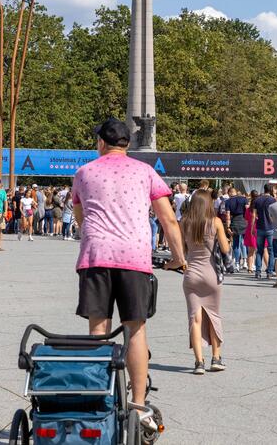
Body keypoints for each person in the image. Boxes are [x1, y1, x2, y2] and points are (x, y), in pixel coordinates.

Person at [72, 118, 185, 428]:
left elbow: (81, 220)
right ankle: (137, 404)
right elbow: (168, 220)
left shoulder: (84, 173)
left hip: (96, 257)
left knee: (98, 330)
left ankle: (99, 398)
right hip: (134, 258)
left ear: (100, 142)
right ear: (127, 145)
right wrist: (179, 259)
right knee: (135, 329)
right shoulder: (145, 172)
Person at [181, 189, 230, 374]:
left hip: (191, 274)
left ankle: (198, 362)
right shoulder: (215, 222)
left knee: (195, 318)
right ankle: (216, 358)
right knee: (214, 315)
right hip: (211, 275)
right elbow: (225, 249)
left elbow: (182, 250)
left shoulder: (184, 222)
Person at [252, 184, 277, 279]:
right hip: (270, 227)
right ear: (270, 189)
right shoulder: (273, 200)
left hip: (260, 227)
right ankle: (269, 271)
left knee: (259, 251)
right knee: (271, 251)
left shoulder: (257, 200)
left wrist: (252, 228)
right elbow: (274, 215)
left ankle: (258, 272)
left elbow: (254, 215)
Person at [223, 187, 248, 271]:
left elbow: (228, 215)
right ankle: (245, 261)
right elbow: (247, 209)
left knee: (236, 243)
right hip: (244, 220)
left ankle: (237, 263)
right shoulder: (244, 199)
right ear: (236, 192)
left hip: (235, 221)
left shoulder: (228, 202)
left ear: (229, 193)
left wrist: (228, 227)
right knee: (244, 242)